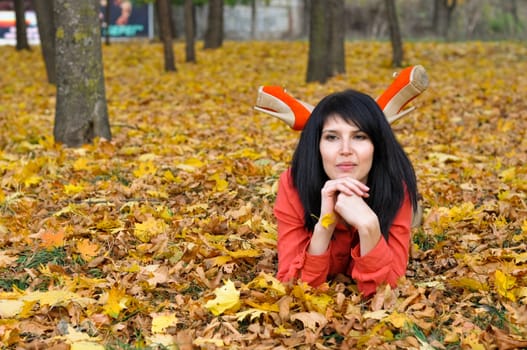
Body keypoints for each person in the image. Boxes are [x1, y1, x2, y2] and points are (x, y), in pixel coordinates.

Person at [273, 89, 419, 297]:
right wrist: (325, 224)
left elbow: (385, 291)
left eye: (359, 136)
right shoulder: (294, 184)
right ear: (317, 146)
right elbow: (292, 287)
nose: (345, 150)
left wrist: (369, 227)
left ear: (376, 145)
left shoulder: (395, 187)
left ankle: (415, 212)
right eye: (332, 137)